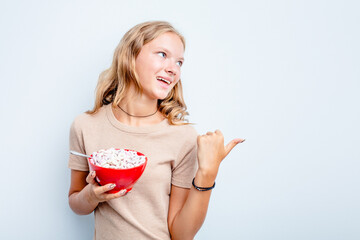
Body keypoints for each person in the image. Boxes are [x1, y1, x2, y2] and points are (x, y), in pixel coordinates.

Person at [68, 20, 244, 240]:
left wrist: (207, 174)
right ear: (130, 56)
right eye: (162, 54)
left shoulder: (183, 137)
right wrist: (92, 195)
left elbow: (181, 234)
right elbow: (76, 202)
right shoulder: (85, 126)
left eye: (179, 62)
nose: (173, 69)